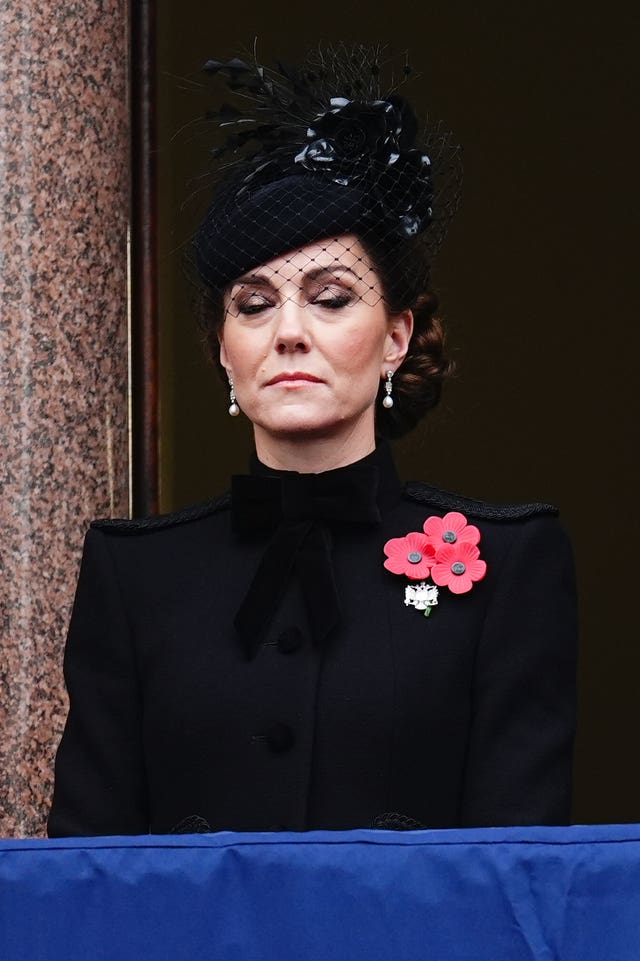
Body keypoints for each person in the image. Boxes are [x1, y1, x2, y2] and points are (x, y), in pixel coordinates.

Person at [48, 46, 577, 837]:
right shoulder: (136, 576)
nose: (288, 332)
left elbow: (520, 878)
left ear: (397, 336)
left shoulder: (510, 566)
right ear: (223, 351)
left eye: (329, 298)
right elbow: (85, 876)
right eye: (253, 305)